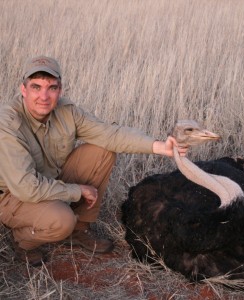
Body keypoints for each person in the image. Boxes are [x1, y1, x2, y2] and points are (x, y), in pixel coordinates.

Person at [0, 55, 188, 266]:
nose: (44, 96)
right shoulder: (7, 122)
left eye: (51, 87)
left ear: (60, 90)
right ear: (23, 90)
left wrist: (160, 146)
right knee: (62, 220)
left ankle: (79, 230)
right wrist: (77, 190)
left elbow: (110, 135)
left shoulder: (66, 111)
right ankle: (23, 241)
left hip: (50, 181)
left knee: (103, 150)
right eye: (36, 87)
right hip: (14, 195)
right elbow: (26, 188)